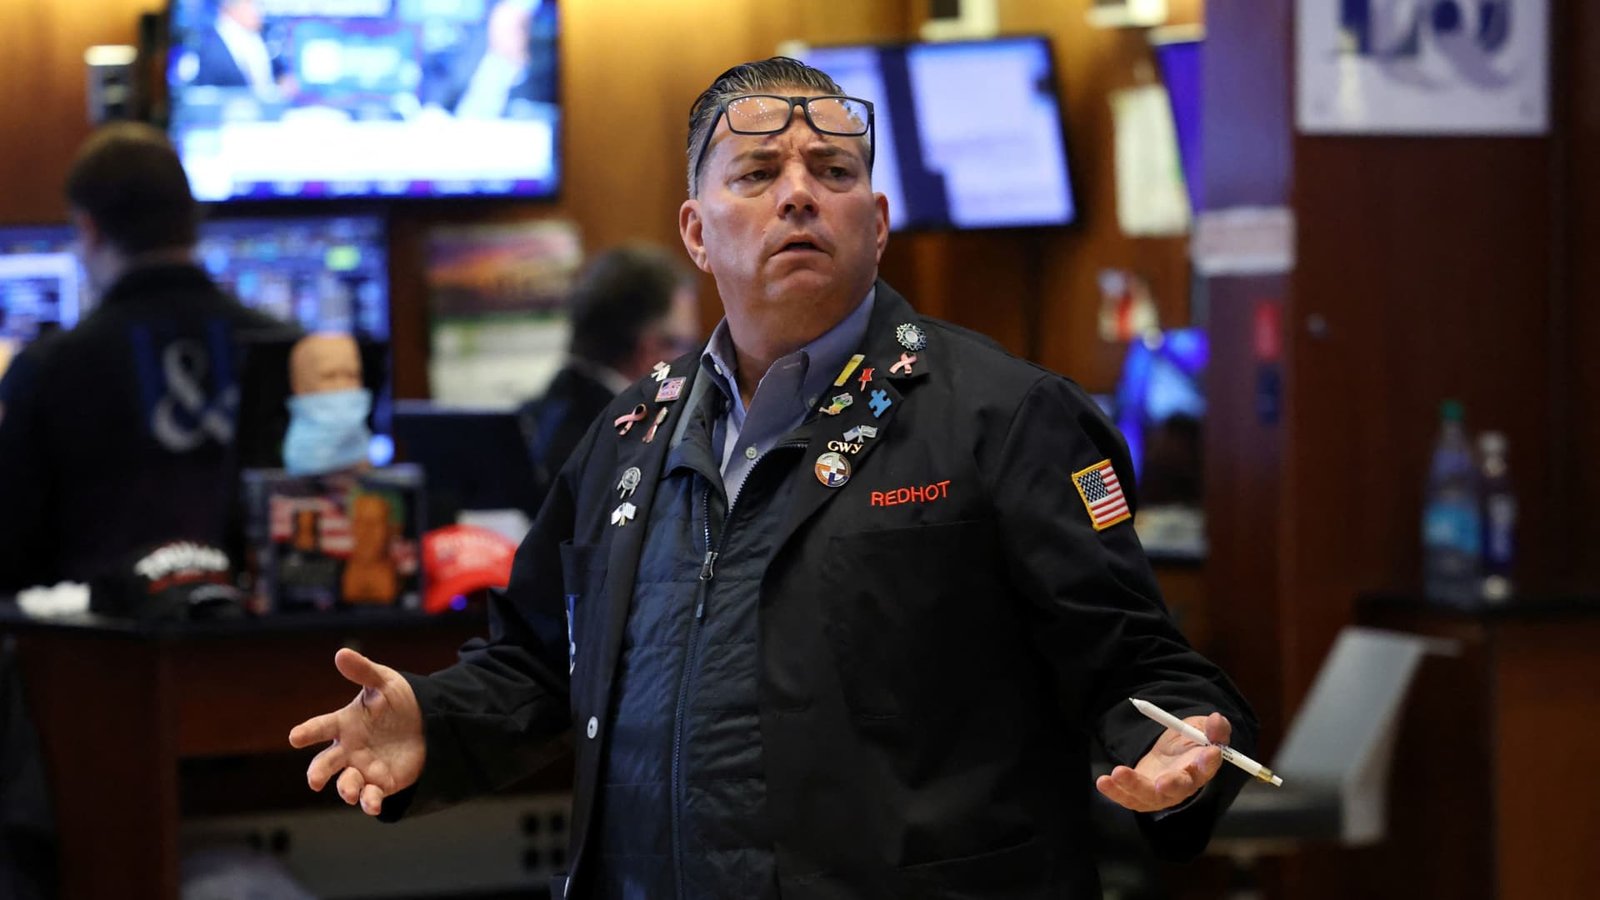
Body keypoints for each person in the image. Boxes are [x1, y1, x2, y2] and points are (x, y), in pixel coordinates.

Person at [290, 58, 1258, 899]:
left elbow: (1143, 669)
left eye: (833, 172)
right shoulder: (628, 433)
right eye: (757, 173)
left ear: (877, 221)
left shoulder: (1004, 417)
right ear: (695, 231)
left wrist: (1177, 753)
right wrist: (435, 719)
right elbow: (541, 663)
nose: (799, 194)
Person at [0, 122, 292, 592]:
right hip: (256, 632)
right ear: (191, 219)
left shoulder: (48, 369)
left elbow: (12, 553)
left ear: (89, 228)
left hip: (91, 633)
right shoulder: (289, 350)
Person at [518, 243, 699, 489]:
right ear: (650, 350)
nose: (691, 360)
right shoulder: (635, 446)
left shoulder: (532, 419)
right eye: (685, 345)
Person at [184, 0, 287, 100]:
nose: (259, 10)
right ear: (231, 8)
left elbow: (279, 75)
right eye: (250, 3)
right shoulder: (207, 45)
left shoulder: (264, 37)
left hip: (269, 108)